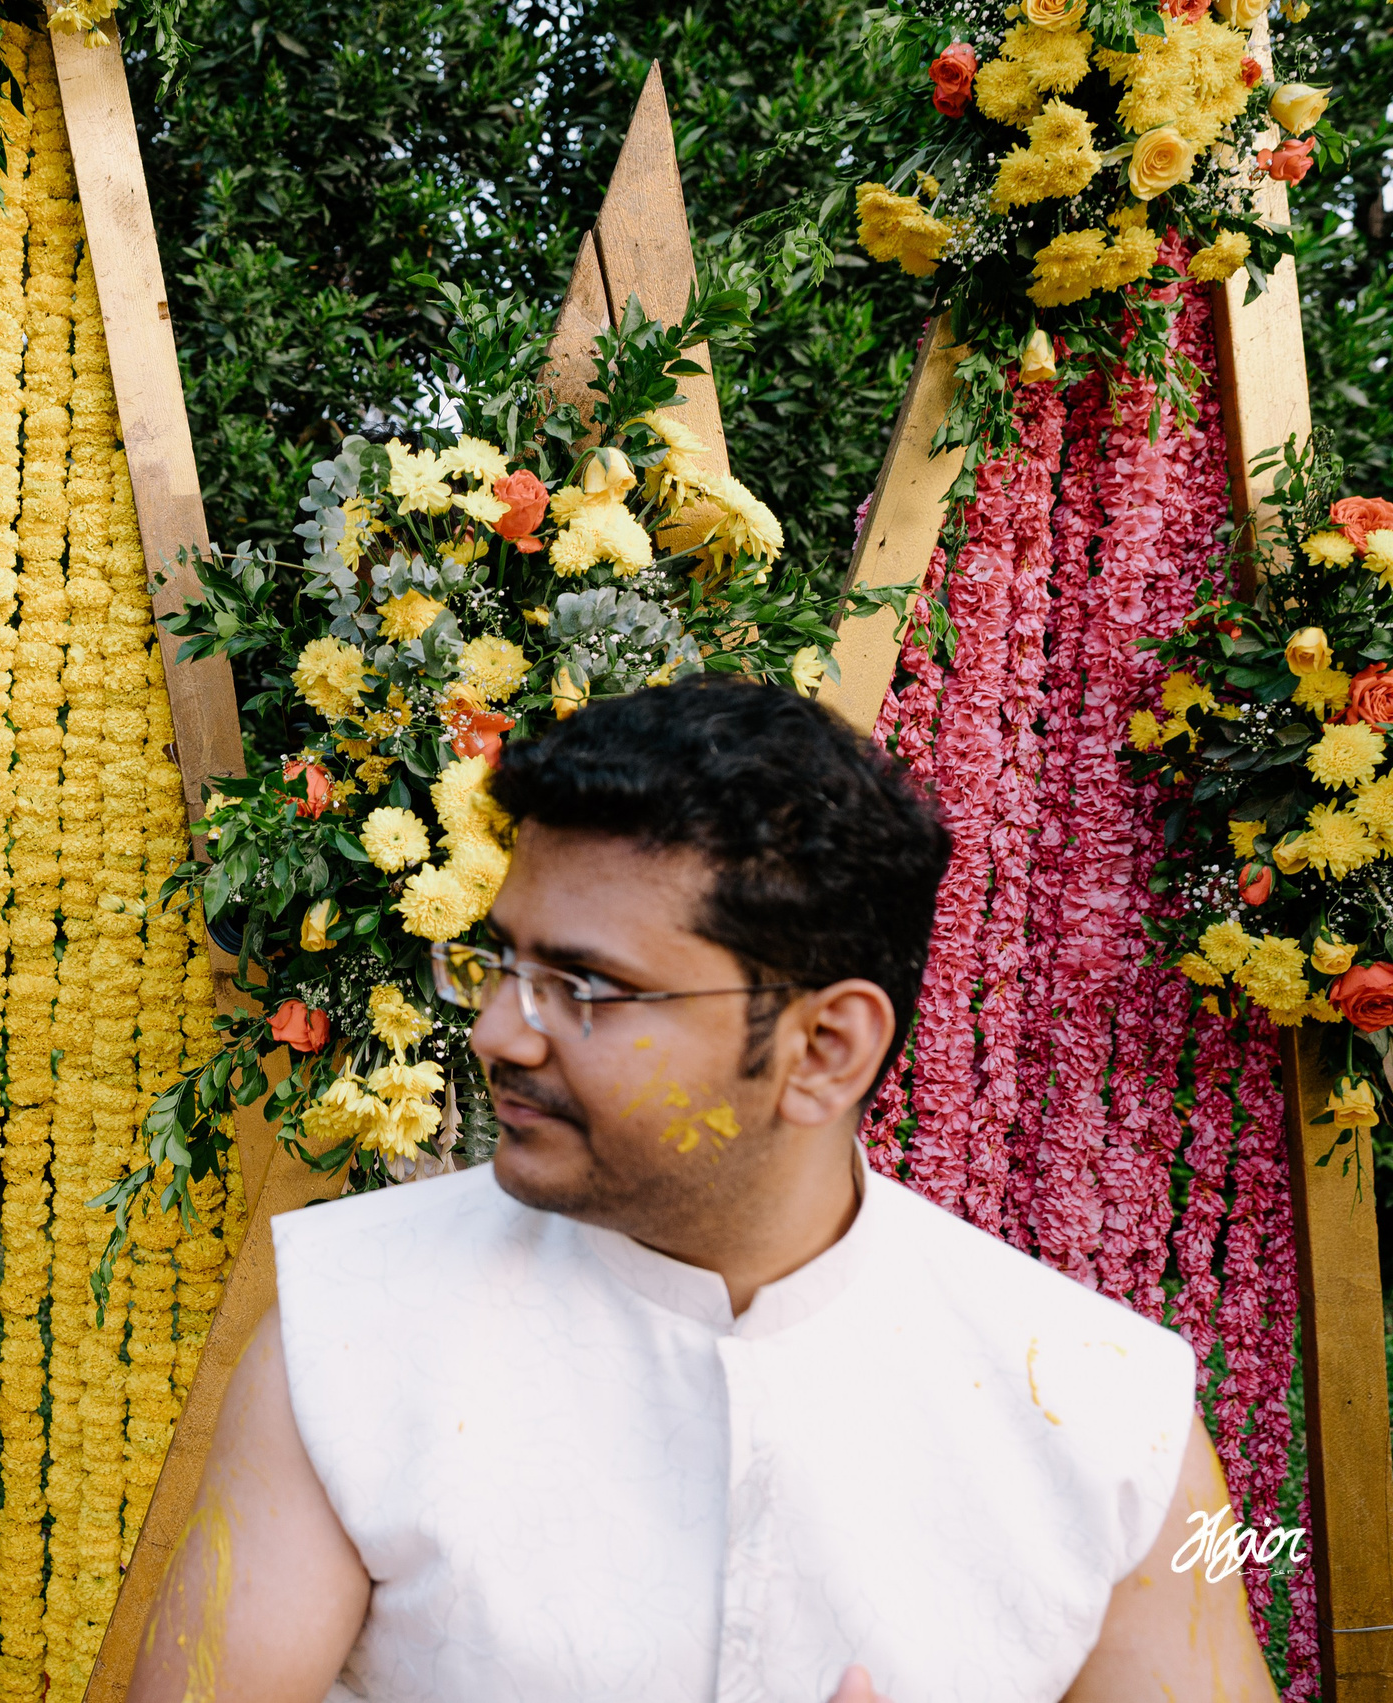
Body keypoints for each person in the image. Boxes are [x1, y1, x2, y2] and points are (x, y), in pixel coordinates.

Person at [130, 675, 1280, 1703]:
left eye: (585, 985)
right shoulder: (352, 1331)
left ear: (825, 1047)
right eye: (500, 962)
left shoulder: (1107, 1415)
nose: (493, 1032)